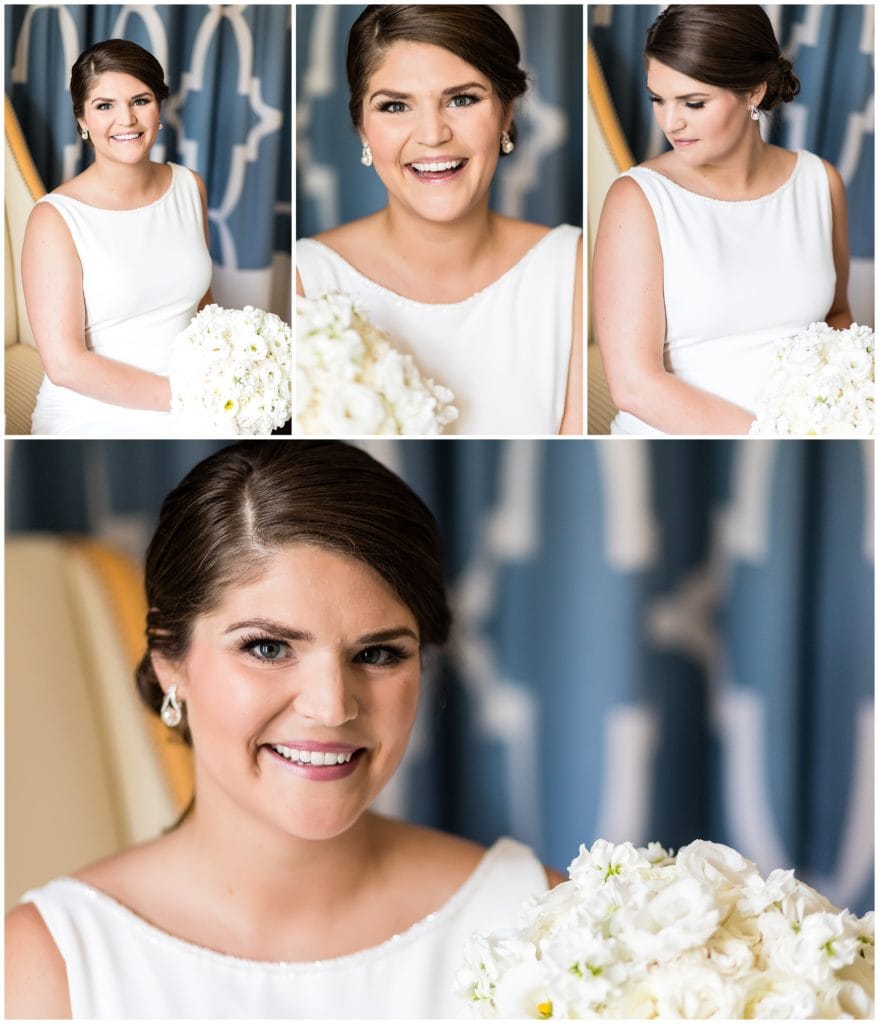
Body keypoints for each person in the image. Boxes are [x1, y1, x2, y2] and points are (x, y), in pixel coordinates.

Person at [5, 441, 563, 1018]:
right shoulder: (58, 966)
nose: (331, 707)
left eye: (377, 654)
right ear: (170, 659)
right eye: (268, 647)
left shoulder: (544, 920)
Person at [296, 5, 583, 436]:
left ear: (506, 112)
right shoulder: (306, 282)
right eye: (395, 106)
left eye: (462, 99)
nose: (432, 134)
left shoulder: (574, 269)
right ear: (362, 128)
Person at [592, 4, 853, 436]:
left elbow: (839, 314)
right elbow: (634, 386)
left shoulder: (820, 183)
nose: (671, 122)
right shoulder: (638, 198)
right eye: (658, 99)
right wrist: (776, 436)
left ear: (754, 91)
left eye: (693, 103)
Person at [22, 39, 213, 436]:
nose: (126, 119)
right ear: (82, 120)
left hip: (198, 398)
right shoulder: (54, 218)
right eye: (104, 106)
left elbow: (204, 307)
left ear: (160, 108)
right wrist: (189, 397)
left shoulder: (189, 186)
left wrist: (233, 377)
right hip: (96, 412)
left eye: (140, 100)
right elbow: (65, 365)